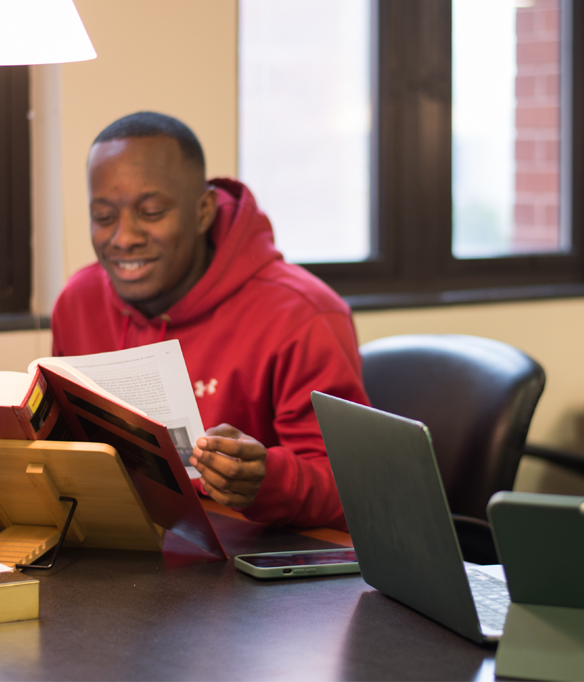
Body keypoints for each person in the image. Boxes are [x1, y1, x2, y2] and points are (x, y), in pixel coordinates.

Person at [50, 111, 370, 531]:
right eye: (105, 217)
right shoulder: (79, 301)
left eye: (150, 212)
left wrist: (267, 479)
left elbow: (356, 488)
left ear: (202, 211)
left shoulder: (303, 313)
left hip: (257, 571)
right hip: (126, 551)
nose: (124, 237)